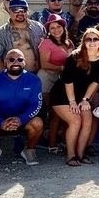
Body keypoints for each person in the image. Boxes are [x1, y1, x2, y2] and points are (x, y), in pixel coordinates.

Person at [49, 27, 99, 166]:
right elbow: (67, 81)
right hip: (62, 95)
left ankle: (81, 154)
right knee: (76, 121)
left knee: (88, 120)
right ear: (83, 42)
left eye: (95, 39)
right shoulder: (74, 57)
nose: (92, 42)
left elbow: (96, 81)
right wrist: (72, 102)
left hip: (82, 96)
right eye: (88, 39)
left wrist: (85, 100)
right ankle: (71, 155)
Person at [0, 49, 44, 168]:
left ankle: (29, 150)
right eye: (11, 59)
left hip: (23, 121)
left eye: (20, 59)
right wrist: (0, 122)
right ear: (4, 62)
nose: (16, 62)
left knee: (38, 123)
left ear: (24, 62)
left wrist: (21, 119)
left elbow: (36, 105)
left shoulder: (34, 80)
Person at [37, 14, 73, 153]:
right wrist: (63, 68)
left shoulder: (69, 43)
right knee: (49, 111)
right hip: (47, 78)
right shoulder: (45, 42)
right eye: (52, 27)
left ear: (63, 27)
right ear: (48, 30)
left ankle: (62, 140)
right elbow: (45, 64)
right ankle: (49, 142)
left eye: (58, 26)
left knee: (61, 112)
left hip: (62, 79)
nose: (56, 30)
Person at [0, 0, 46, 74]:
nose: (20, 13)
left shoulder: (38, 27)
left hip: (37, 74)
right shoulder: (0, 34)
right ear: (9, 11)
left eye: (23, 10)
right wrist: (8, 75)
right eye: (15, 10)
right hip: (15, 76)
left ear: (27, 11)